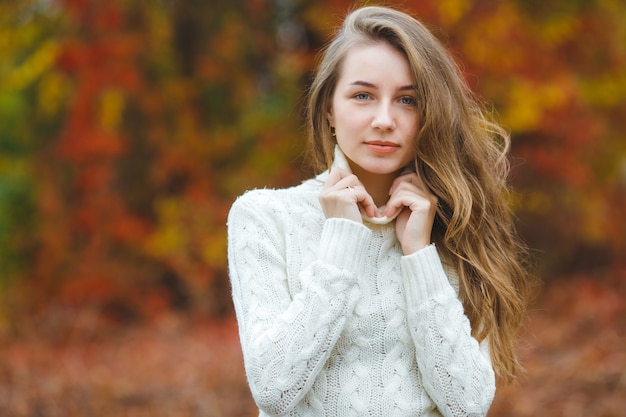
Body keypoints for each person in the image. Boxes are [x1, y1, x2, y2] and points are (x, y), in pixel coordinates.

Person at [227, 5, 532, 417]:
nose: (385, 119)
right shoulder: (264, 217)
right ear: (330, 109)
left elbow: (468, 404)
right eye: (363, 96)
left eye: (407, 100)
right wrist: (342, 241)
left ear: (429, 115)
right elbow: (273, 389)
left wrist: (419, 255)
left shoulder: (451, 224)